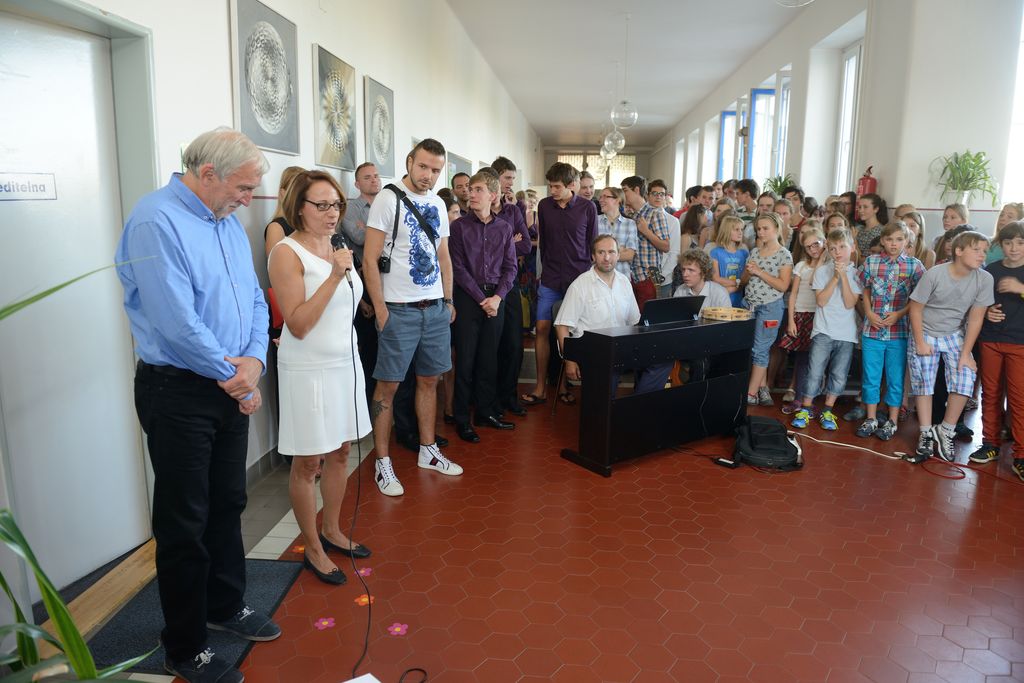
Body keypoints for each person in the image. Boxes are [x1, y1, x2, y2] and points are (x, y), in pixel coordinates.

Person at [115, 127, 279, 683]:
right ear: (207, 173)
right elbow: (175, 321)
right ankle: (184, 646)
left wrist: (253, 362)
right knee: (184, 521)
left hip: (230, 381)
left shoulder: (224, 221)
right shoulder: (155, 220)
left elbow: (254, 297)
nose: (248, 200)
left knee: (228, 501)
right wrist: (237, 378)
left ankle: (225, 604)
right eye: (243, 187)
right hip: (179, 389)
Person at [268, 170, 371, 586]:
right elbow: (298, 324)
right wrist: (332, 276)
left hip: (344, 364)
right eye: (322, 205)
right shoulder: (286, 253)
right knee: (308, 461)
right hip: (308, 370)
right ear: (299, 207)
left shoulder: (336, 245)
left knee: (342, 451)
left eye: (337, 205)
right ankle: (311, 546)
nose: (333, 214)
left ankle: (332, 529)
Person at [362, 138, 462, 497]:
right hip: (399, 310)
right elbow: (369, 258)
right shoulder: (388, 199)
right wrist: (381, 309)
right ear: (409, 162)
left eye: (435, 170)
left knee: (430, 380)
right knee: (388, 388)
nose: (428, 175)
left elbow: (444, 256)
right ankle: (382, 461)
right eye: (423, 166)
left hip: (434, 308)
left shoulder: (437, 203)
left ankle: (427, 450)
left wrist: (448, 300)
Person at [906, 230, 994, 463]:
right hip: (925, 330)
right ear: (959, 251)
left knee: (965, 377)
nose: (982, 255)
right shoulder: (935, 274)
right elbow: (915, 309)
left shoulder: (984, 279)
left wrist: (966, 354)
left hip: (954, 333)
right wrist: (920, 342)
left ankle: (945, 429)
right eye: (976, 249)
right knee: (924, 382)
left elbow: (975, 318)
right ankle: (926, 432)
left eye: (984, 251)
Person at [449, 171, 518, 442]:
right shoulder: (459, 227)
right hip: (469, 298)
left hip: (496, 299)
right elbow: (458, 268)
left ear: (493, 195)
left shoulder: (504, 228)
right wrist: (482, 299)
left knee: (489, 360)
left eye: (478, 189)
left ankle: (485, 412)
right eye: (470, 189)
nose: (471, 194)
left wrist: (497, 298)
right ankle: (462, 419)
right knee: (465, 361)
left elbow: (511, 268)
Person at [521, 162, 597, 407]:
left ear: (571, 185)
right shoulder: (544, 206)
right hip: (551, 278)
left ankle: (563, 385)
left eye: (556, 186)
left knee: (569, 332)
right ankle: (541, 387)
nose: (552, 191)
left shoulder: (588, 208)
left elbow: (592, 244)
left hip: (577, 280)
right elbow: (543, 242)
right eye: (550, 186)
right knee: (542, 328)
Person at [854, 222, 925, 441]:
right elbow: (865, 289)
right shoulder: (871, 262)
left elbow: (919, 298)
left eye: (899, 239)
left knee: (895, 377)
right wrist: (868, 312)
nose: (894, 244)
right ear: (883, 241)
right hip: (872, 331)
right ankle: (871, 418)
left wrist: (900, 313)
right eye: (890, 239)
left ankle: (892, 420)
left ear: (907, 241)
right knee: (871, 376)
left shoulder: (914, 266)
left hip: (899, 332)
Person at [790, 228, 862, 431]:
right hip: (823, 331)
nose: (838, 252)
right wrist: (835, 278)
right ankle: (806, 408)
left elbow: (850, 303)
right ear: (828, 250)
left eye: (842, 247)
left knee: (839, 374)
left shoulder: (857, 274)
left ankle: (828, 410)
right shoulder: (822, 271)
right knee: (814, 372)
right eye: (833, 248)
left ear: (852, 248)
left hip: (846, 334)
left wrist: (844, 277)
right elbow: (821, 301)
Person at [554, 234, 641, 390]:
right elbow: (562, 326)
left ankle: (638, 402)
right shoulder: (580, 285)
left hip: (619, 348)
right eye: (601, 252)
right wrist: (570, 360)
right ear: (593, 256)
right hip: (591, 350)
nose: (607, 258)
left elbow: (635, 321)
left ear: (618, 255)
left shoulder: (624, 282)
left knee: (659, 363)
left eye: (611, 252)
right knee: (606, 385)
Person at [974, 220, 1024, 482]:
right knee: (990, 393)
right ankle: (990, 443)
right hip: (991, 339)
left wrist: (1020, 288)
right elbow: (977, 302)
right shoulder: (991, 270)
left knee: (1019, 399)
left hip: (1020, 343)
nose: (1014, 248)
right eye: (1008, 242)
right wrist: (986, 313)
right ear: (1000, 245)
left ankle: (1021, 455)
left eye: (1020, 243)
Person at [490, 157, 532, 417]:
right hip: (487, 287)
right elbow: (479, 253)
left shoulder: (513, 211)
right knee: (492, 346)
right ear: (495, 178)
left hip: (511, 283)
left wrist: (498, 246)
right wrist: (509, 243)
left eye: (513, 179)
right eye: (507, 178)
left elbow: (525, 245)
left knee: (514, 345)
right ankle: (490, 399)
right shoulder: (479, 211)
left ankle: (509, 396)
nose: (510, 184)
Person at [741, 212, 792, 406]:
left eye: (765, 228)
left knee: (760, 349)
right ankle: (762, 389)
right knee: (753, 349)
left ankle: (751, 393)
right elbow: (744, 281)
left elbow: (783, 285)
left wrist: (759, 272)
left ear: (777, 229)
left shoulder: (784, 254)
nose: (761, 232)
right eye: (758, 229)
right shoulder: (755, 251)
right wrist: (748, 273)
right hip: (749, 305)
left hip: (770, 307)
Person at [777, 226, 826, 414]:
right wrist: (791, 320)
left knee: (816, 361)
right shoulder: (801, 266)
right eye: (808, 247)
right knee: (802, 360)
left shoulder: (828, 267)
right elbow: (793, 294)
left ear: (824, 243)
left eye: (816, 244)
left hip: (820, 316)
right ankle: (799, 399)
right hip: (801, 315)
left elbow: (817, 281)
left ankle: (809, 399)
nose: (813, 249)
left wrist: (822, 259)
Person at [621, 175, 671, 310]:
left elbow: (666, 246)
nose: (623, 194)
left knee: (646, 318)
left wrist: (646, 231)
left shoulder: (655, 213)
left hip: (647, 277)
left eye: (625, 190)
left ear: (637, 190)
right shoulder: (632, 215)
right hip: (632, 276)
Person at [340, 162, 382, 266]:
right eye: (367, 178)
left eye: (376, 176)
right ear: (357, 185)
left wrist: (367, 228)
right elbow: (361, 238)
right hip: (365, 269)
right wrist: (388, 230)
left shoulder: (388, 205)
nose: (374, 180)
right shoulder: (349, 208)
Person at [597, 186, 638, 280]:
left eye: (605, 196)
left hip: (622, 277)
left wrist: (602, 254)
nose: (601, 200)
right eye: (600, 197)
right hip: (599, 278)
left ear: (618, 200)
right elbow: (592, 252)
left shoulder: (630, 223)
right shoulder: (594, 221)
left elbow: (630, 255)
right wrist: (619, 251)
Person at [649, 179, 681, 298]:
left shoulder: (673, 221)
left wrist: (662, 275)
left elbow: (674, 252)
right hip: (642, 277)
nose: (658, 197)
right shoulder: (641, 218)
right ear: (648, 195)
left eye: (661, 194)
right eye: (654, 193)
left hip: (664, 278)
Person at [263, 165, 305, 256]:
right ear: (283, 194)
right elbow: (275, 263)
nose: (302, 196)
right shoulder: (276, 228)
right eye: (296, 191)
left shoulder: (308, 224)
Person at [708, 215, 748, 307]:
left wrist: (737, 286)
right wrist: (738, 283)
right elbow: (716, 278)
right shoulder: (716, 252)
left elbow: (745, 280)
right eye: (736, 229)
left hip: (739, 299)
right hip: (720, 298)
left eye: (741, 229)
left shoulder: (744, 253)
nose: (740, 232)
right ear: (726, 231)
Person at [855, 193, 888, 257]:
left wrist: (854, 240)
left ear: (876, 209)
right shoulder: (859, 228)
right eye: (859, 207)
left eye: (865, 207)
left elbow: (865, 260)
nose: (861, 210)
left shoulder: (880, 231)